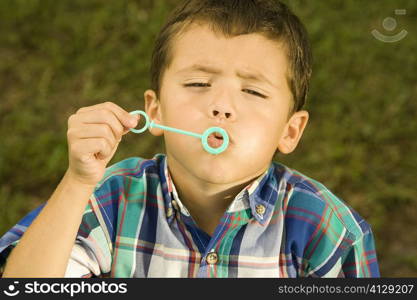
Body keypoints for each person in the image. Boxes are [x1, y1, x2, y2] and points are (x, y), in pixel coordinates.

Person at [0, 0, 379, 277]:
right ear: (156, 112)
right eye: (198, 83)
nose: (222, 106)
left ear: (290, 130)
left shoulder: (327, 230)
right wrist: (78, 182)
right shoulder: (111, 198)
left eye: (253, 92)